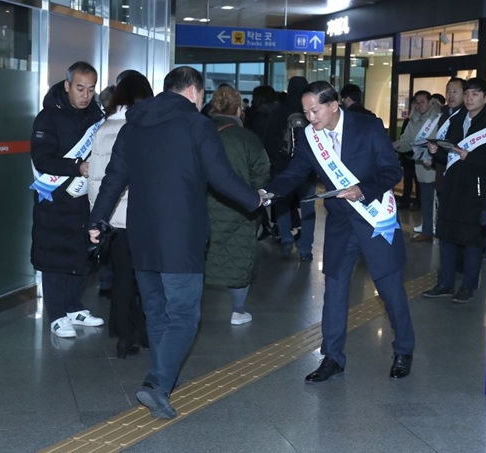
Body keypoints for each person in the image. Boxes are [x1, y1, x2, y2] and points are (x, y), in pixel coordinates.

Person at [89, 67, 263, 419]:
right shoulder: (197, 125)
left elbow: (114, 177)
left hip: (140, 234)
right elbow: (221, 176)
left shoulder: (133, 125)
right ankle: (156, 383)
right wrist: (255, 200)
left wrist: (96, 219)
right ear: (194, 92)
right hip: (181, 236)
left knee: (156, 310)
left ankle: (164, 377)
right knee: (183, 314)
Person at [264, 81, 415, 382]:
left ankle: (403, 350)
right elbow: (295, 171)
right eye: (305, 112)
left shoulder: (369, 127)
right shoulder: (309, 137)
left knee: (390, 291)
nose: (310, 118)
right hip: (340, 224)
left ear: (334, 105)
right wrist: (269, 191)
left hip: (374, 219)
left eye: (315, 110)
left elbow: (392, 170)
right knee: (333, 291)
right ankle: (332, 357)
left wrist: (363, 190)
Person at [29, 61, 105, 338]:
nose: (85, 95)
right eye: (80, 88)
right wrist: (77, 166)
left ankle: (74, 307)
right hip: (54, 199)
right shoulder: (48, 117)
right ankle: (57, 314)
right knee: (54, 257)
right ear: (67, 86)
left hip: (84, 199)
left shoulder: (96, 115)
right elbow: (42, 158)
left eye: (91, 89)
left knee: (80, 254)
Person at [423, 78, 486, 303]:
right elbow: (448, 154)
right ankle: (445, 283)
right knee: (446, 236)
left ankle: (469, 287)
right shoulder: (456, 119)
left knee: (471, 240)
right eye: (468, 93)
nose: (470, 98)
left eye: (475, 94)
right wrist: (435, 151)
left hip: (475, 192)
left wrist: (469, 157)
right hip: (452, 188)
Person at [88, 73, 154, 358]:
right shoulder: (143, 129)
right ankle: (145, 332)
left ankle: (123, 337)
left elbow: (95, 179)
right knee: (147, 279)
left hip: (113, 220)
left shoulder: (102, 128)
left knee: (122, 278)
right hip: (141, 218)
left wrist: (98, 217)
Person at [207, 85, 271, 324]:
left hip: (202, 207)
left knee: (203, 255)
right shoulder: (248, 138)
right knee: (239, 256)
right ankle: (238, 311)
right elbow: (262, 175)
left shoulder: (201, 132)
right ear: (237, 109)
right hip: (240, 208)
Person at [265, 76, 317, 260]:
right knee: (308, 206)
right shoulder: (311, 112)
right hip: (308, 169)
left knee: (282, 204)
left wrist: (275, 162)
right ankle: (306, 250)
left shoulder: (279, 112)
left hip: (284, 168)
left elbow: (269, 140)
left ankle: (286, 239)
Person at [393, 91, 442, 242]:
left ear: (430, 103)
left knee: (442, 203)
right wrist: (396, 146)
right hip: (422, 168)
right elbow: (406, 140)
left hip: (438, 167)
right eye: (417, 102)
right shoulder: (413, 120)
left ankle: (442, 231)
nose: (419, 105)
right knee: (425, 202)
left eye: (422, 102)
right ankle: (427, 230)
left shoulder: (438, 119)